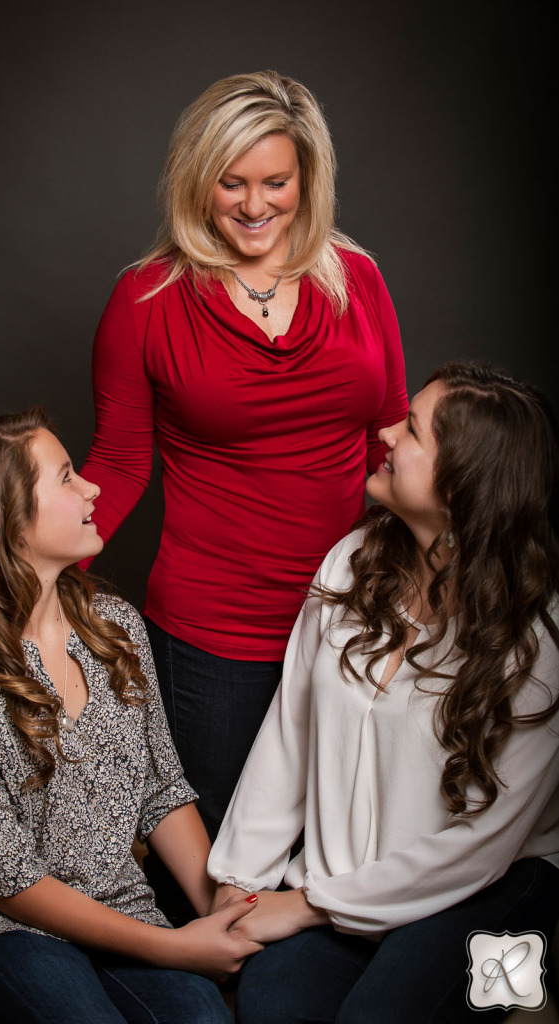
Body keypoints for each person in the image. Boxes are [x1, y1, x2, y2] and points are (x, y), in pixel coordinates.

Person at [81, 70, 409, 839]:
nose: (255, 206)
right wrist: (21, 576)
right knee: (219, 857)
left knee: (342, 847)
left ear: (307, 178)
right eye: (231, 183)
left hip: (350, 620)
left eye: (276, 182)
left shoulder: (356, 279)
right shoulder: (145, 301)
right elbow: (121, 465)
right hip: (211, 633)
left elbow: (389, 437)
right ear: (197, 180)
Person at [0, 408, 263, 1024]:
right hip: (2, 926)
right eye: (65, 477)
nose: (92, 487)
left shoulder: (116, 627)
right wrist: (173, 948)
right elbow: (5, 881)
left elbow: (160, 789)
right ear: (6, 520)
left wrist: (213, 913)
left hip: (121, 905)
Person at [208, 361, 559, 1024]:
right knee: (270, 1013)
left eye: (412, 428)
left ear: (463, 483)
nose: (387, 432)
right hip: (342, 878)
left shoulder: (539, 642)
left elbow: (478, 847)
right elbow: (291, 736)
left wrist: (303, 906)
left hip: (490, 893)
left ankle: (521, 984)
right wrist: (239, 883)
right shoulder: (350, 564)